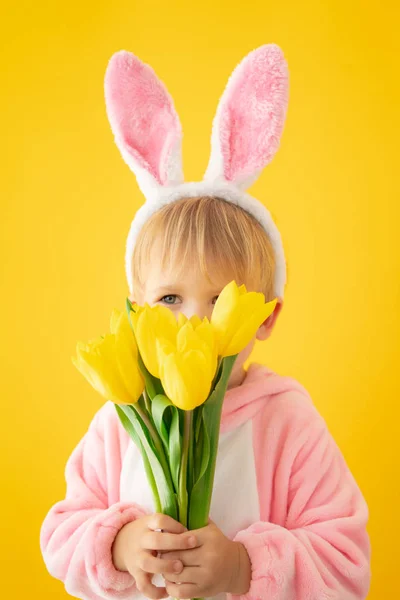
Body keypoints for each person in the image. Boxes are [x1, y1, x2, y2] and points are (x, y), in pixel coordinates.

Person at [40, 45, 371, 600]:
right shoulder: (121, 418)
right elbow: (61, 535)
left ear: (266, 317)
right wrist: (118, 546)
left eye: (221, 302)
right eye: (170, 298)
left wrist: (245, 568)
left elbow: (347, 565)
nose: (194, 320)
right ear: (136, 312)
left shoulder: (287, 422)